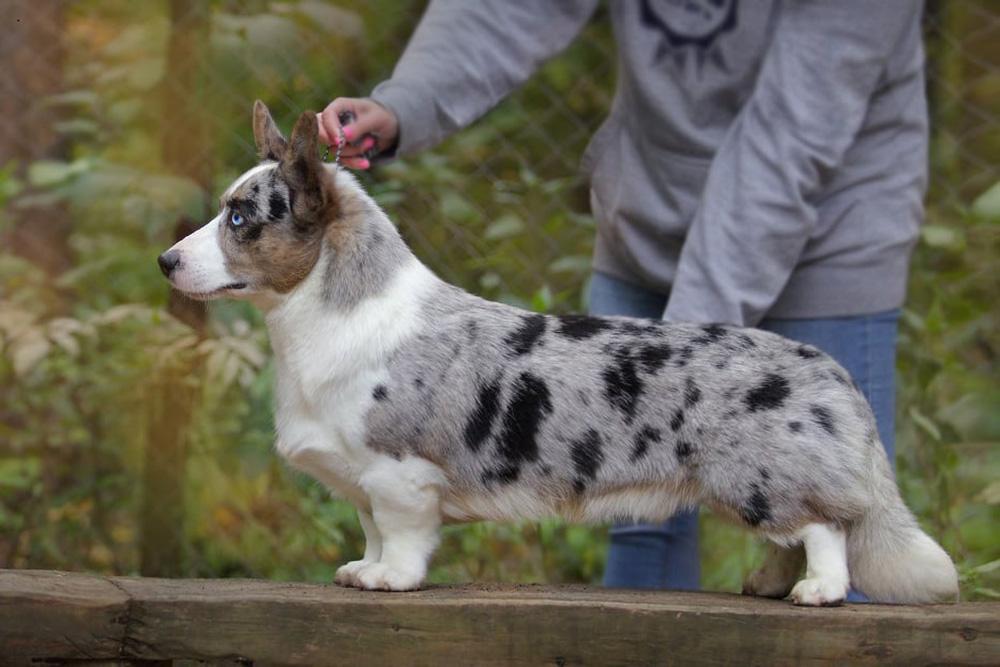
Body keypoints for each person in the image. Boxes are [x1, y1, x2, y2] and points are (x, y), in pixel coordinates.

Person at [316, 0, 927, 593]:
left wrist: (680, 379)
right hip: (647, 219)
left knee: (836, 523)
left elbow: (796, 126)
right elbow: (511, 8)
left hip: (830, 237)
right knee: (639, 523)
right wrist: (407, 104)